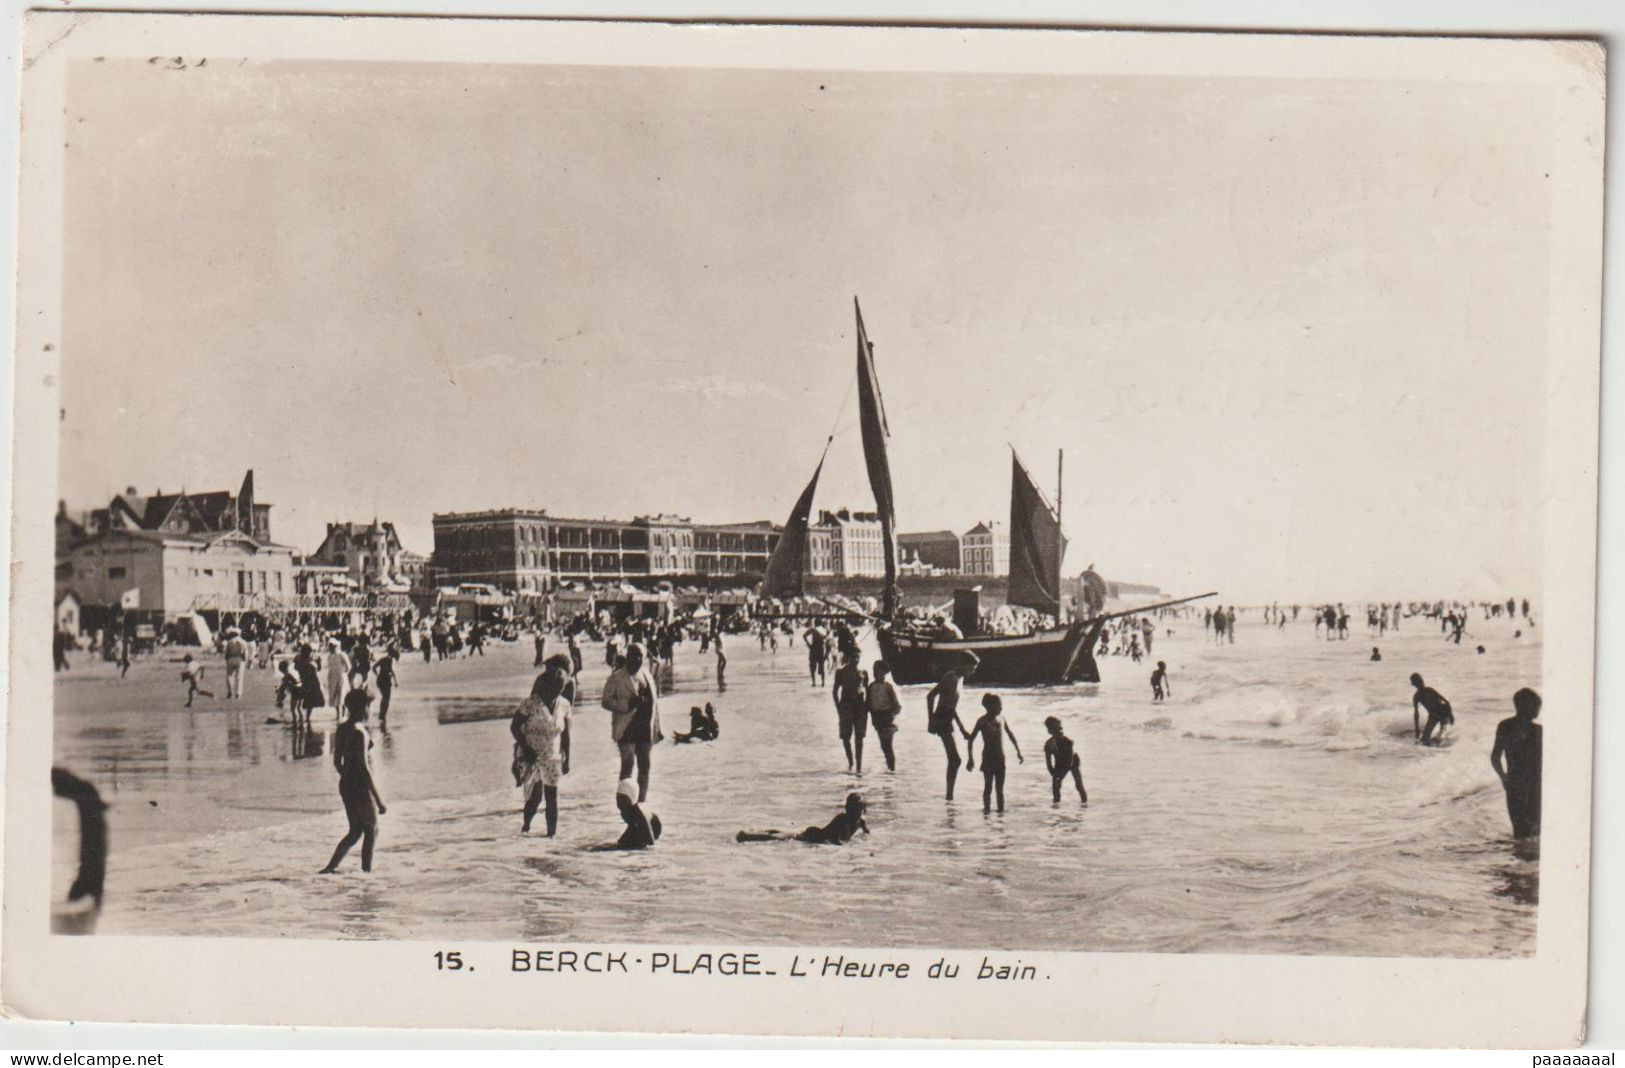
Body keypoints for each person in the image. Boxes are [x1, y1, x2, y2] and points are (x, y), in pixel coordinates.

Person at [320, 689, 386, 874]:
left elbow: (337, 761)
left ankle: (330, 868)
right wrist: (379, 800)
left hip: (346, 784)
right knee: (371, 830)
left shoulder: (343, 728)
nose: (370, 710)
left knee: (355, 831)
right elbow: (365, 768)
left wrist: (347, 776)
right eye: (369, 706)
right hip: (360, 786)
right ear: (362, 708)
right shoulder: (360, 732)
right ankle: (367, 872)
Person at [511, 656, 572, 836]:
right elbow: (514, 727)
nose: (558, 690)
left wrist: (567, 758)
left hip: (553, 756)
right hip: (531, 755)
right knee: (536, 797)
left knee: (552, 798)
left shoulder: (564, 705)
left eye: (561, 687)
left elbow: (567, 735)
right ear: (546, 684)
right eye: (555, 685)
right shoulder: (530, 704)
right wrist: (526, 748)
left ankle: (551, 836)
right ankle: (526, 828)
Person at [600, 642, 662, 802]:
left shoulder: (647, 675)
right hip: (626, 726)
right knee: (628, 766)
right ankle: (624, 803)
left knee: (645, 766)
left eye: (641, 656)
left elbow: (655, 704)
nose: (638, 659)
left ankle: (641, 802)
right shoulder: (617, 677)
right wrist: (626, 705)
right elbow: (605, 701)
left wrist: (658, 728)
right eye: (634, 656)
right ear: (627, 656)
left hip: (645, 727)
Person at [1491, 688, 1542, 840]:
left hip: (1515, 783)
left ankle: (1521, 861)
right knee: (1533, 830)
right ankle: (1528, 861)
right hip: (1533, 785)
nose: (1538, 709)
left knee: (1521, 830)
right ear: (1525, 706)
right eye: (1537, 705)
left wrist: (1504, 778)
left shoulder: (1505, 726)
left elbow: (1495, 757)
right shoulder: (1538, 731)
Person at [926, 654, 978, 800]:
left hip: (947, 717)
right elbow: (931, 696)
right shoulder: (951, 678)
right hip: (942, 718)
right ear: (962, 665)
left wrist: (962, 729)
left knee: (955, 760)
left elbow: (952, 706)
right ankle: (949, 796)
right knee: (955, 759)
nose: (973, 672)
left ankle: (949, 795)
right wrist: (931, 720)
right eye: (971, 668)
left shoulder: (959, 679)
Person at [966, 693, 1023, 814]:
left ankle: (1000, 814)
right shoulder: (982, 721)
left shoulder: (1002, 718)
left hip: (1000, 758)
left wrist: (1018, 751)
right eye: (999, 706)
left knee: (1000, 789)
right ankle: (986, 812)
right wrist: (970, 759)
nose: (1001, 708)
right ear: (988, 707)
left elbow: (1010, 734)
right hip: (988, 758)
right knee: (988, 787)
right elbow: (971, 739)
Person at [737, 793, 869, 844]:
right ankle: (747, 836)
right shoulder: (842, 819)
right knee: (782, 837)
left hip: (819, 837)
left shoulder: (860, 822)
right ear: (846, 809)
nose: (853, 813)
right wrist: (845, 846)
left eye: (856, 810)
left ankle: (756, 832)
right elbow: (833, 838)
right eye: (851, 809)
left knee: (786, 834)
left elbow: (866, 833)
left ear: (863, 811)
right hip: (816, 836)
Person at [590, 779, 661, 851]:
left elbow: (649, 844)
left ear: (631, 798)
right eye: (617, 798)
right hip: (638, 829)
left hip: (649, 831)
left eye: (622, 799)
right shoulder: (628, 810)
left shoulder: (639, 815)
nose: (619, 802)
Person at [832, 650, 869, 773]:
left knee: (859, 737)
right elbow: (835, 692)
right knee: (845, 737)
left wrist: (867, 708)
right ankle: (851, 762)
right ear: (848, 658)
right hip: (846, 706)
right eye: (854, 657)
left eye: (858, 658)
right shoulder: (841, 672)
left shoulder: (863, 673)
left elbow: (867, 691)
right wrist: (838, 708)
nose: (856, 660)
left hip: (859, 706)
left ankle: (859, 767)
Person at [867, 660, 902, 772]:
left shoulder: (888, 687)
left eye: (877, 670)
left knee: (887, 746)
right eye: (873, 670)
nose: (874, 672)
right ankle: (890, 769)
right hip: (877, 719)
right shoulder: (871, 686)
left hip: (886, 717)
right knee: (884, 746)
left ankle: (891, 769)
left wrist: (890, 716)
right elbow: (869, 704)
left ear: (883, 672)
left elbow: (897, 706)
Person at [1043, 716, 1087, 804]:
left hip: (1073, 762)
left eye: (1060, 728)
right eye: (1057, 728)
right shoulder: (1048, 744)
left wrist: (1061, 775)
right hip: (1059, 763)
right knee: (1055, 788)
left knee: (1079, 785)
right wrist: (1054, 774)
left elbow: (1069, 760)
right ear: (1050, 731)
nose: (1060, 730)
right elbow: (1048, 763)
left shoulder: (1067, 741)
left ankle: (1084, 803)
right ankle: (1056, 806)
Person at [1411, 673, 1454, 746]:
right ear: (1414, 684)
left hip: (1443, 713)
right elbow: (1416, 714)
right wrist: (1417, 729)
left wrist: (1451, 716)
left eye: (1421, 681)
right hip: (1433, 716)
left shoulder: (1429, 690)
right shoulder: (1416, 697)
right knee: (1423, 740)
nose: (1421, 683)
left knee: (1442, 735)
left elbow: (1446, 702)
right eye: (1418, 682)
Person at [293, 645, 324, 725]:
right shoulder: (304, 659)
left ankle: (305, 717)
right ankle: (303, 717)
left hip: (310, 681)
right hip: (308, 681)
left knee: (308, 700)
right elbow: (296, 667)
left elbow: (319, 668)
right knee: (307, 700)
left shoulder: (303, 659)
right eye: (307, 652)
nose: (308, 653)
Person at [222, 628, 248, 700]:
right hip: (240, 659)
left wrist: (227, 660)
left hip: (231, 659)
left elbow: (227, 653)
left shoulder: (229, 642)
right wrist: (244, 661)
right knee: (239, 677)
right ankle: (238, 693)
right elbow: (245, 654)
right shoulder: (243, 642)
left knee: (229, 676)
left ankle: (230, 692)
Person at [325, 639, 351, 711]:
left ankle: (343, 713)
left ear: (335, 646)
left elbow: (349, 666)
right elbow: (330, 668)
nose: (330, 648)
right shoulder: (329, 656)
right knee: (334, 696)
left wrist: (344, 674)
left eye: (332, 646)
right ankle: (338, 714)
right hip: (332, 678)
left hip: (341, 677)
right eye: (329, 646)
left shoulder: (341, 654)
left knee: (342, 695)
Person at [373, 652, 397, 725]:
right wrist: (395, 681)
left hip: (380, 679)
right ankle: (382, 715)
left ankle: (382, 714)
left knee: (384, 697)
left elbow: (373, 667)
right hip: (386, 680)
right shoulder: (391, 660)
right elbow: (391, 671)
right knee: (386, 698)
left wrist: (377, 675)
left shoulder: (383, 659)